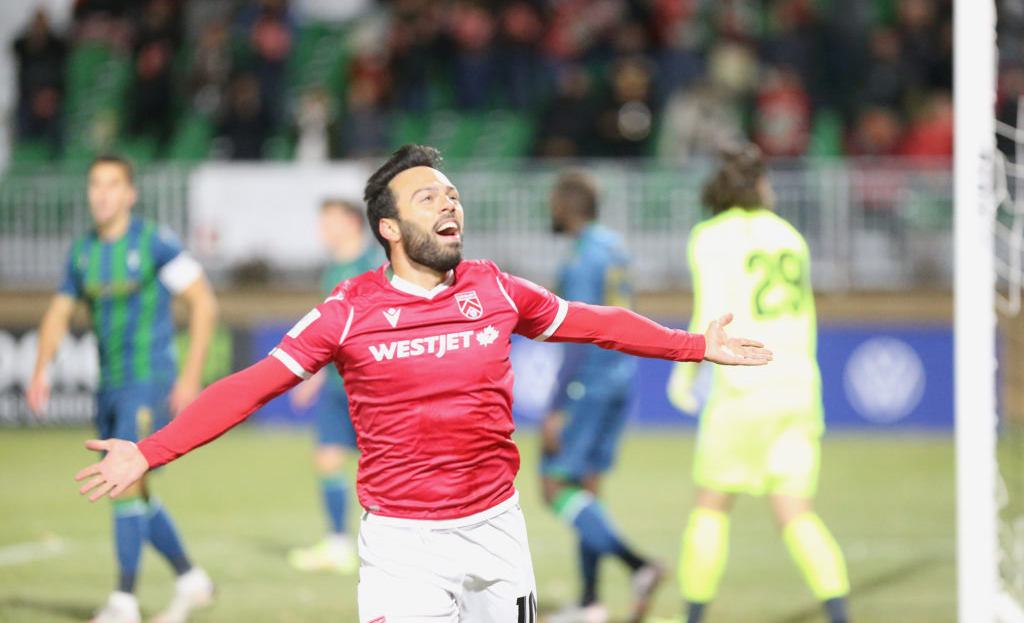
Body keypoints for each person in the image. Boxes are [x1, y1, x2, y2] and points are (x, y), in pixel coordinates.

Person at [76, 144, 771, 623]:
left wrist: (694, 345)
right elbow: (251, 385)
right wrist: (151, 450)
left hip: (498, 534)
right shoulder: (348, 309)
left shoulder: (493, 286)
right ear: (389, 226)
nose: (450, 203)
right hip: (402, 548)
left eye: (453, 193)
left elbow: (595, 323)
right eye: (428, 194)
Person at [29, 155, 219, 623]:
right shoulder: (83, 252)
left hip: (148, 378)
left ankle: (124, 600)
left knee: (124, 480)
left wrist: (190, 376)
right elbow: (58, 312)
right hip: (109, 385)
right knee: (131, 489)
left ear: (130, 194)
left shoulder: (154, 243)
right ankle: (191, 578)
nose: (102, 193)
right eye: (95, 184)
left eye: (112, 185)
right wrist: (39, 370)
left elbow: (203, 303)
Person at [665, 143, 849, 623]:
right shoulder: (790, 235)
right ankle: (840, 614)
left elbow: (709, 312)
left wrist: (685, 373)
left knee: (712, 504)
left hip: (745, 385)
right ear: (759, 185)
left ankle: (693, 617)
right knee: (796, 511)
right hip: (800, 386)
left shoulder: (710, 236)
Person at [542, 170, 662, 623]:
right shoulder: (615, 246)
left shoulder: (581, 258)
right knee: (587, 491)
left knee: (554, 487)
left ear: (569, 205)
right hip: (619, 376)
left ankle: (639, 566)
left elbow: (577, 333)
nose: (549, 209)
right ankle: (591, 603)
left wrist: (557, 406)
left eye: (554, 201)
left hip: (586, 381)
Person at [287, 199, 384, 573]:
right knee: (326, 457)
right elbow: (330, 331)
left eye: (328, 221)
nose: (321, 229)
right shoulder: (332, 271)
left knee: (380, 465)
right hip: (335, 385)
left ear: (349, 223)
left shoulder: (376, 267)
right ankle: (338, 543)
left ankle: (389, 540)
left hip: (370, 386)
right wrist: (312, 375)